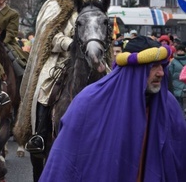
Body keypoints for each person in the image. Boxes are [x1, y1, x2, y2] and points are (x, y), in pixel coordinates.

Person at [40, 36, 186, 181]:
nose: (161, 72)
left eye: (162, 65)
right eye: (153, 66)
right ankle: (38, 133)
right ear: (134, 69)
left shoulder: (169, 105)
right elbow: (65, 160)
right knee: (42, 90)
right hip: (64, 53)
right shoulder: (89, 102)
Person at [14, 0, 99, 162]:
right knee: (44, 88)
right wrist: (67, 43)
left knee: (107, 82)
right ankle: (40, 135)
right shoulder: (53, 5)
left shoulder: (92, 4)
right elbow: (46, 35)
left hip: (88, 57)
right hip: (60, 58)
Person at [0, 0, 27, 79]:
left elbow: (11, 31)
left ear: (6, 0)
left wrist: (3, 42)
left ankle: (21, 76)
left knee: (14, 58)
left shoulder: (13, 14)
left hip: (7, 41)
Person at [168, 43, 186, 113]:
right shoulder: (173, 61)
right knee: (178, 103)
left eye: (181, 50)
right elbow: (170, 73)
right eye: (179, 50)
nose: (180, 52)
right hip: (176, 84)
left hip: (184, 83)